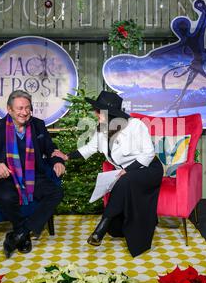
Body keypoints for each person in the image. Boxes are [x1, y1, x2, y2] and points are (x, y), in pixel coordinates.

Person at [53, 91, 163, 257]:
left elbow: (148, 154)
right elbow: (90, 148)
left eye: (98, 111)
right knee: (124, 181)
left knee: (124, 181)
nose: (95, 114)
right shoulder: (103, 130)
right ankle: (109, 225)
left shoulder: (136, 126)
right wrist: (66, 156)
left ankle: (102, 227)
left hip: (148, 170)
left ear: (109, 113)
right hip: (126, 175)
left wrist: (127, 170)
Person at [0, 90, 65, 258]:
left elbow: (50, 149)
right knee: (7, 197)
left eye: (28, 108)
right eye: (20, 108)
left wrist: (57, 161)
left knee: (56, 192)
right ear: (9, 109)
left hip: (33, 177)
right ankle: (22, 232)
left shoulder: (38, 124)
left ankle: (21, 232)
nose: (24, 112)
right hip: (7, 178)